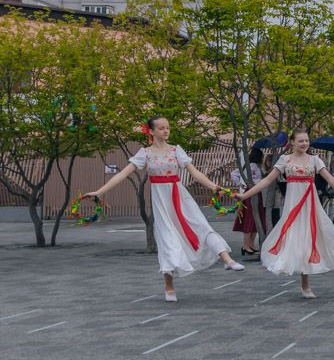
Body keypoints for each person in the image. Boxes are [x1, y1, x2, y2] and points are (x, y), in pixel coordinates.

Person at [82, 116, 245, 302]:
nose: (165, 131)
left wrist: (213, 186)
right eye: (161, 128)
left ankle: (227, 260)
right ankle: (169, 287)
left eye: (167, 127)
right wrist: (99, 192)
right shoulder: (145, 153)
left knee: (200, 225)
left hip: (180, 196)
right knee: (167, 241)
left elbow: (194, 172)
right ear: (151, 131)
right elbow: (123, 174)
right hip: (161, 201)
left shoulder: (176, 150)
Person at [238, 130, 334, 298]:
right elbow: (267, 180)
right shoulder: (285, 159)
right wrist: (245, 195)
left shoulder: (315, 160)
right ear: (292, 143)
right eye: (301, 141)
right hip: (293, 209)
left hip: (312, 207)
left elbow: (331, 180)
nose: (304, 143)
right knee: (301, 243)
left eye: (306, 141)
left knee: (331, 234)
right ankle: (305, 286)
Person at [230, 147, 268, 256]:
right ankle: (247, 246)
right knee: (251, 219)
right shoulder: (254, 166)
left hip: (250, 191)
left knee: (253, 219)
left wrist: (241, 184)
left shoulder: (249, 166)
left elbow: (234, 174)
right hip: (253, 192)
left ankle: (249, 246)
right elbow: (234, 174)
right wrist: (243, 184)